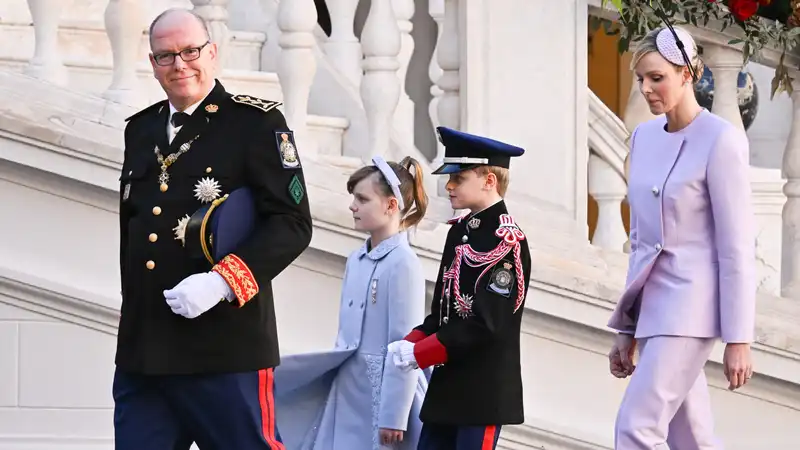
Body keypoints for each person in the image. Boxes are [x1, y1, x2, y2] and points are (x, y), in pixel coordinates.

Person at [115, 8, 312, 449]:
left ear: (213, 52)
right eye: (165, 56)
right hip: (145, 352)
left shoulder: (256, 125)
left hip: (225, 349)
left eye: (190, 51)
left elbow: (293, 224)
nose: (179, 64)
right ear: (152, 64)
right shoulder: (140, 129)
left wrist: (222, 281)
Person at [606, 25, 756, 449]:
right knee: (690, 437)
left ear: (688, 73)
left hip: (692, 307)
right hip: (654, 307)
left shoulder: (721, 140)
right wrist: (628, 325)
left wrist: (739, 339)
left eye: (658, 78)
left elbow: (737, 247)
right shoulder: (643, 137)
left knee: (637, 427)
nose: (647, 89)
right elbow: (640, 242)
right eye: (641, 79)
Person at [272, 155, 430, 450]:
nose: (352, 206)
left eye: (362, 198)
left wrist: (394, 415)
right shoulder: (356, 258)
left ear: (390, 205)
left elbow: (405, 346)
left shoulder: (404, 263)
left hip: (382, 401)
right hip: (345, 391)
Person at [388, 127, 532, 450]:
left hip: (482, 393)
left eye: (459, 178)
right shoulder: (460, 232)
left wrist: (421, 353)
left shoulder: (507, 242)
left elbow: (485, 324)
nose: (449, 185)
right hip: (448, 390)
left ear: (489, 181)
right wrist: (411, 341)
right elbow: (442, 312)